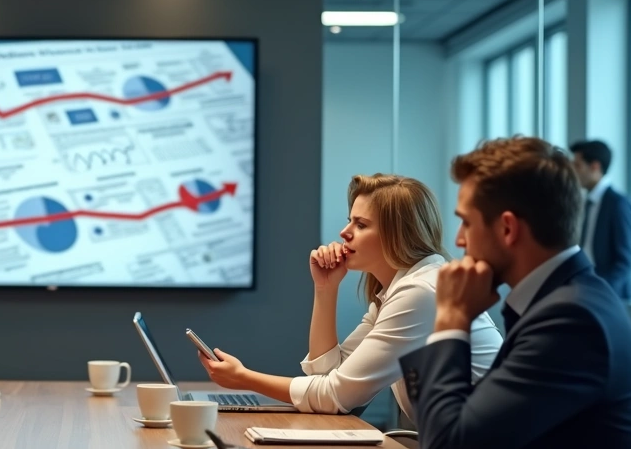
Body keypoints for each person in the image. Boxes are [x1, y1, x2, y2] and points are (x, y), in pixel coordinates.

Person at [400, 136, 631, 449]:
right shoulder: (560, 300)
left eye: (466, 222)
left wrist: (452, 319)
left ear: (508, 228)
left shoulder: (572, 319)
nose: (459, 241)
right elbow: (455, 435)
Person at [198, 174, 502, 421]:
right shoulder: (397, 292)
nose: (344, 232)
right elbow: (328, 373)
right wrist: (325, 289)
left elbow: (336, 397)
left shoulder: (419, 293)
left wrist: (244, 378)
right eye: (350, 221)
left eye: (361, 224)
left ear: (398, 234)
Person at [569, 139, 631, 300]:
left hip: (608, 294)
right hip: (584, 288)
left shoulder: (618, 203)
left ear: (595, 166)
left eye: (577, 165)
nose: (573, 171)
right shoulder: (583, 203)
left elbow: (624, 261)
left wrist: (604, 292)